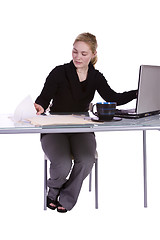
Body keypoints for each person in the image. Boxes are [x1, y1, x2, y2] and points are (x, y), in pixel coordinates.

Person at [34, 32, 137, 213]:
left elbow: (113, 97)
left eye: (83, 53)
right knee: (63, 163)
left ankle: (67, 196)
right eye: (75, 52)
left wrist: (137, 93)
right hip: (55, 126)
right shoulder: (59, 72)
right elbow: (44, 97)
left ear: (93, 54)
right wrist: (39, 105)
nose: (78, 57)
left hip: (81, 126)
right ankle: (53, 190)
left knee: (87, 159)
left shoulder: (96, 77)